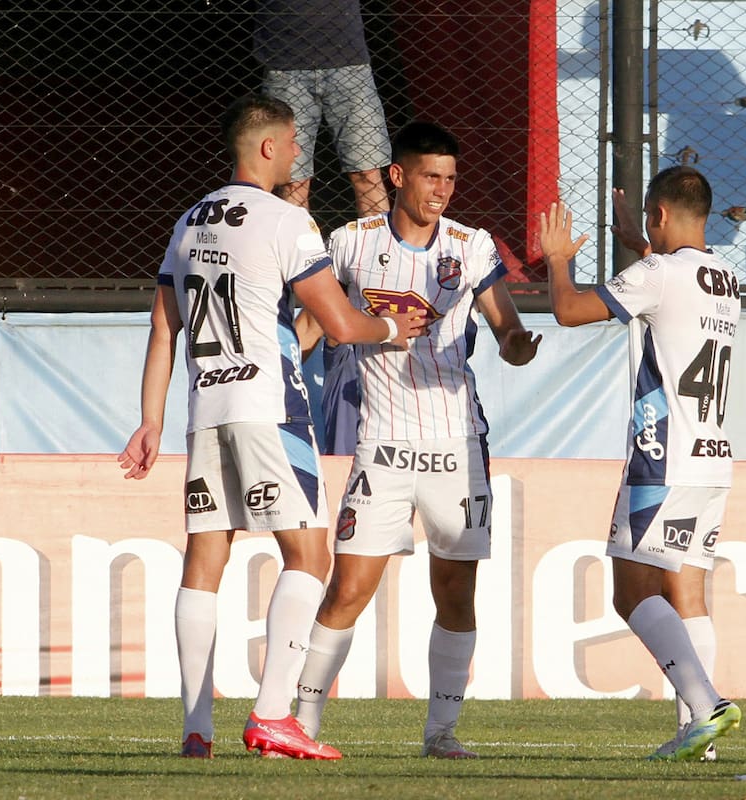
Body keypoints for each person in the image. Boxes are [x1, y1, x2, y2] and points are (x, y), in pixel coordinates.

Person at [117, 93, 423, 761]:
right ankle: (273, 713)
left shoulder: (189, 220)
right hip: (269, 406)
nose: (295, 155)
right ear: (264, 148)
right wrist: (395, 326)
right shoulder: (285, 221)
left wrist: (148, 420)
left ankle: (197, 729)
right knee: (309, 555)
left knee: (204, 560)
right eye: (290, 144)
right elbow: (340, 325)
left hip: (207, 412)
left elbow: (163, 326)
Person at [292, 121, 541, 759]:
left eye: (451, 178)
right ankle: (301, 724)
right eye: (431, 176)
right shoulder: (351, 243)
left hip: (457, 444)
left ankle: (442, 733)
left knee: (456, 590)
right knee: (349, 586)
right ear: (397, 176)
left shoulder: (472, 246)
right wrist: (291, 355)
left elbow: (506, 328)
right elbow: (315, 320)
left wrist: (517, 345)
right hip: (383, 444)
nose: (443, 190)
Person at [538, 165, 743, 762]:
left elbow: (570, 310)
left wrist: (556, 258)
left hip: (663, 457)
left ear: (657, 215)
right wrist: (643, 244)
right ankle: (698, 738)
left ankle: (706, 706)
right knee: (689, 594)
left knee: (630, 594)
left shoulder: (657, 272)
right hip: (711, 459)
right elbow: (673, 278)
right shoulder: (724, 276)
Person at [254, 0, 391, 217]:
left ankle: (378, 249)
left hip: (350, 63)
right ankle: (298, 250)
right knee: (292, 180)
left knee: (368, 173)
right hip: (285, 64)